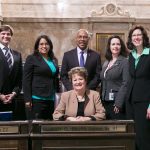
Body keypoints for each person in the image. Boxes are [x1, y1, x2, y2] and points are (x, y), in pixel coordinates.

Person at [23, 34, 59, 120]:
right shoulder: (32, 58)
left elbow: (55, 78)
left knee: (48, 128)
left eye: (46, 44)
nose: (44, 46)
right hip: (37, 99)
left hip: (51, 98)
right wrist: (27, 99)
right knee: (36, 128)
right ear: (37, 46)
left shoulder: (53, 59)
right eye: (41, 44)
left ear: (50, 46)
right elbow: (26, 80)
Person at [126, 25, 150, 150]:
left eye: (139, 35)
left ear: (144, 37)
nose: (136, 37)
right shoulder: (131, 55)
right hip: (130, 101)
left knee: (144, 137)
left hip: (145, 102)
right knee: (132, 137)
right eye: (134, 35)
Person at [100, 35, 128, 120]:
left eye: (118, 44)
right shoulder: (106, 62)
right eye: (113, 44)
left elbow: (125, 83)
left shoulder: (125, 62)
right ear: (109, 46)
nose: (115, 46)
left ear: (121, 46)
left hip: (116, 103)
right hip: (105, 101)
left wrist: (119, 103)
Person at [0, 25, 22, 120]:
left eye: (8, 34)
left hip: (12, 100)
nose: (6, 36)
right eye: (3, 33)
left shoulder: (17, 55)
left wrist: (13, 93)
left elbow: (19, 78)